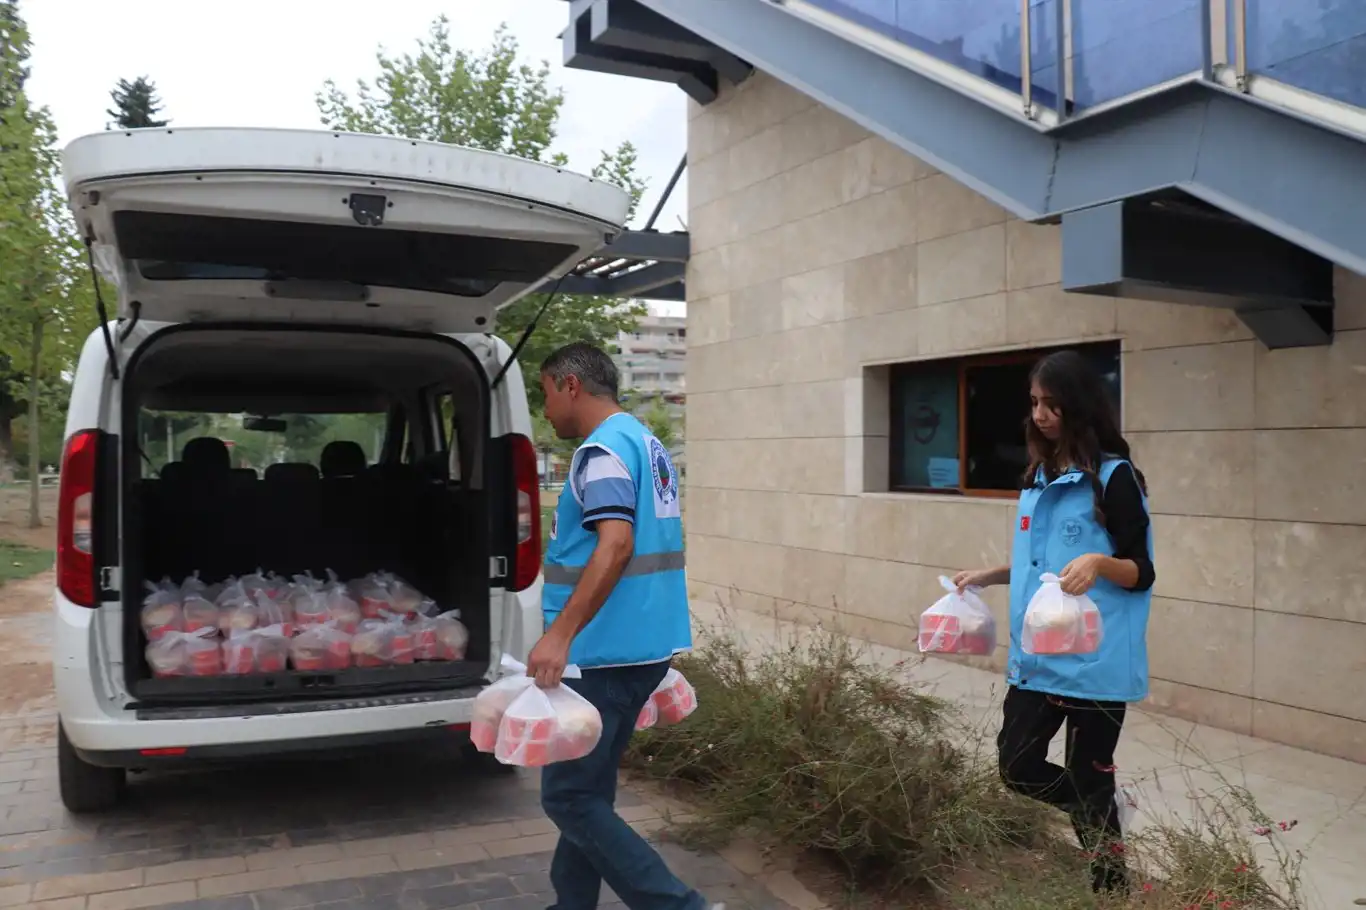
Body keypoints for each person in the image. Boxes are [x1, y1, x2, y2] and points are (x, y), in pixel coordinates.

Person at [526, 342, 721, 910]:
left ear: (569, 386)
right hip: (643, 647)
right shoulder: (646, 443)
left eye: (544, 394)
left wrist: (559, 634)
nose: (546, 411)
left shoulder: (602, 451)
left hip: (600, 655)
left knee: (569, 799)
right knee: (589, 793)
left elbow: (615, 545)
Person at [953, 350, 1154, 894]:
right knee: (1016, 766)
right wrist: (992, 574)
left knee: (1088, 774)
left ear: (1079, 406)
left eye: (1052, 404)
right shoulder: (1038, 478)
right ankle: (1101, 813)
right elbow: (1039, 565)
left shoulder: (1114, 479)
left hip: (1095, 662)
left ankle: (1110, 888)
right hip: (1037, 657)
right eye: (1035, 403)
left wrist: (1098, 563)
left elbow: (1142, 571)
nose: (1040, 414)